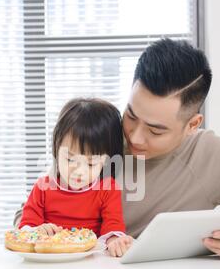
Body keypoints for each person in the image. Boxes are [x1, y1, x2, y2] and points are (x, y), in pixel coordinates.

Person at [15, 39, 220, 260]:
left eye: (155, 131)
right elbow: (27, 213)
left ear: (192, 124)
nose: (134, 136)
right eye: (131, 115)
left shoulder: (211, 156)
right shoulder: (101, 140)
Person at [17, 97, 133, 257]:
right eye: (70, 159)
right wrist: (36, 231)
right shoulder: (43, 187)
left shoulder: (108, 188)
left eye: (91, 164)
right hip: (50, 259)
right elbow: (26, 226)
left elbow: (112, 225)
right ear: (57, 151)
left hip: (90, 260)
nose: (79, 171)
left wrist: (114, 240)